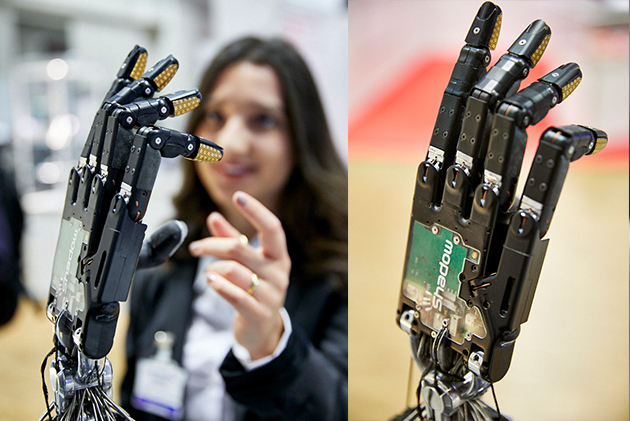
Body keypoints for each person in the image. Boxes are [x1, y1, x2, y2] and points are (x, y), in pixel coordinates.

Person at [120, 36, 348, 421]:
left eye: (263, 120)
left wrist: (270, 346)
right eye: (214, 116)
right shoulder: (159, 261)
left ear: (301, 138)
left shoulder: (341, 272)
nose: (230, 142)